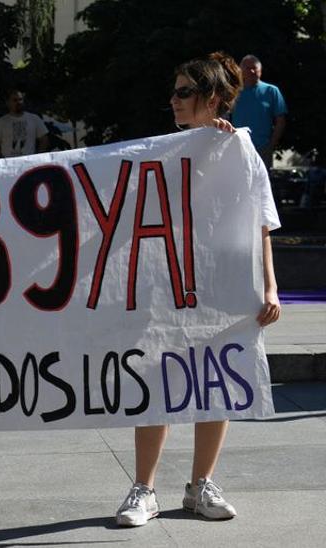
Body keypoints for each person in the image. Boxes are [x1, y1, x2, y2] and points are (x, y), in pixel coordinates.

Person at [115, 52, 282, 527]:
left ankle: (199, 486)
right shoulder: (160, 151)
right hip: (164, 284)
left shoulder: (241, 151)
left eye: (184, 92)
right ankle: (143, 488)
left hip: (224, 284)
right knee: (156, 379)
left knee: (217, 381)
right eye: (174, 91)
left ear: (213, 100)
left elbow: (261, 224)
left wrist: (270, 287)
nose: (174, 100)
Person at [231, 55, 287, 170]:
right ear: (240, 70)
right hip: (237, 148)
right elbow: (224, 118)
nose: (252, 71)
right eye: (247, 68)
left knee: (261, 186)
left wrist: (271, 145)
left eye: (254, 68)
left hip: (263, 149)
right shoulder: (233, 92)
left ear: (260, 71)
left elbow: (280, 121)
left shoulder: (271, 91)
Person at [0, 89, 48, 158]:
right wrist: (1, 160)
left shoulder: (34, 119)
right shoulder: (1, 122)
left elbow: (44, 139)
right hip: (8, 163)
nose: (18, 102)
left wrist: (38, 157)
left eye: (20, 99)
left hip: (30, 162)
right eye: (15, 100)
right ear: (8, 103)